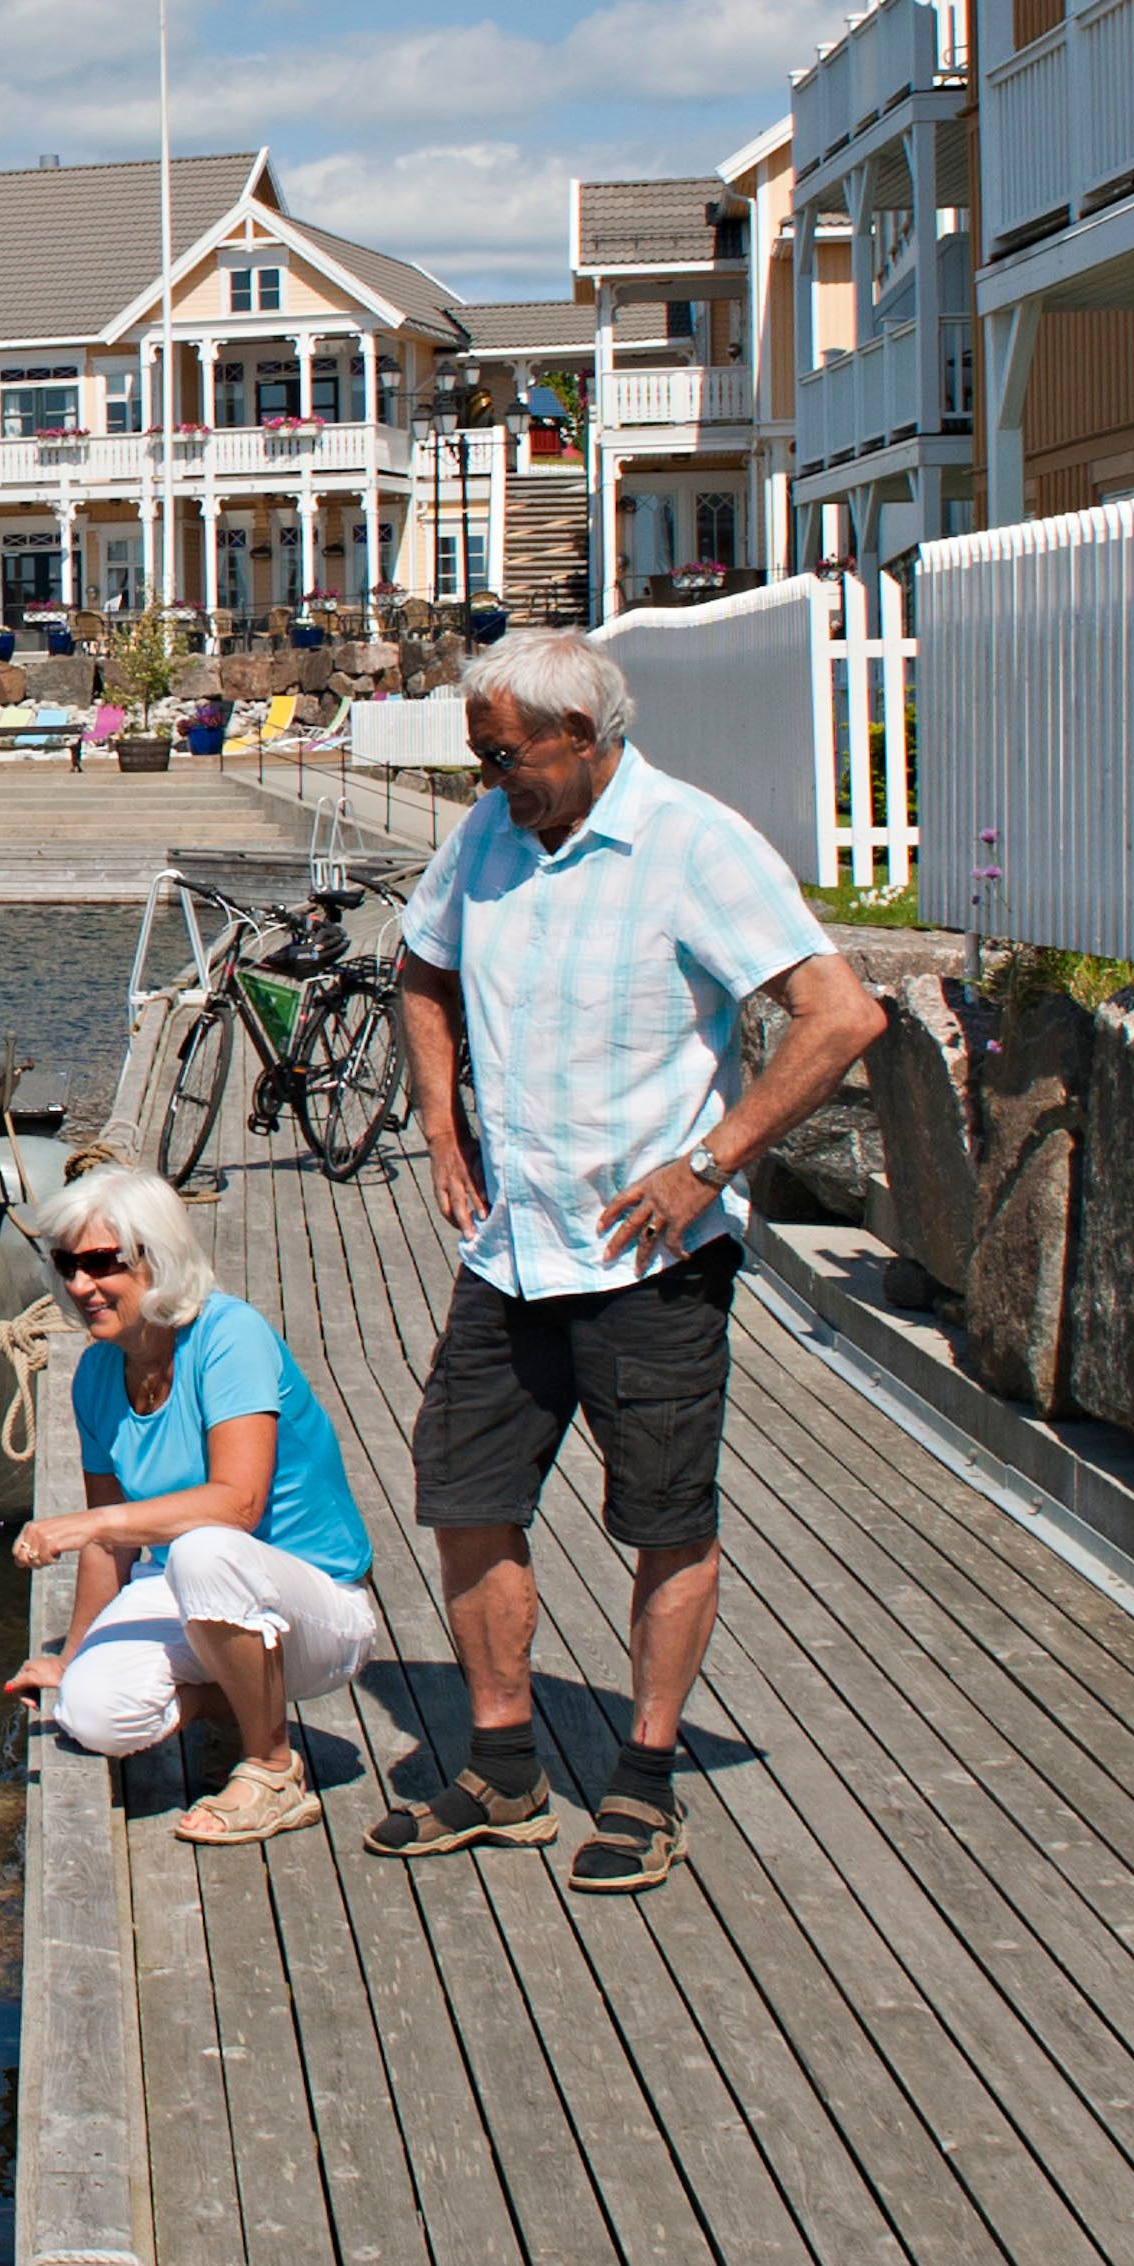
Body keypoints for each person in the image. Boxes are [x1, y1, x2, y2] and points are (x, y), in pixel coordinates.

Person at [367, 625, 882, 1895]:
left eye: (505, 759)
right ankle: (502, 1764)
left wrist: (709, 1161)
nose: (490, 784)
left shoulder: (692, 843)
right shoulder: (489, 836)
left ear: (583, 738)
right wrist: (440, 1118)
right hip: (514, 1248)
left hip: (651, 1257)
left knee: (662, 1517)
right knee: (463, 1491)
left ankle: (644, 1783)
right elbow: (420, 967)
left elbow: (842, 1013)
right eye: (481, 761)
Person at [0, 1162, 382, 1845]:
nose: (81, 1285)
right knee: (90, 1715)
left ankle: (271, 1772)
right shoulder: (96, 1371)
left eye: (101, 1263)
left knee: (205, 1548)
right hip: (194, 1593)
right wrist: (74, 1654)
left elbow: (236, 1504)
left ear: (159, 1258)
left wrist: (89, 1522)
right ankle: (233, 1702)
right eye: (67, 1264)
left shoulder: (230, 1337)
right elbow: (112, 1549)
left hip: (316, 1607)